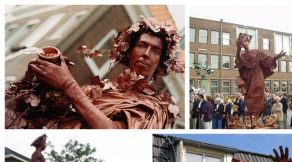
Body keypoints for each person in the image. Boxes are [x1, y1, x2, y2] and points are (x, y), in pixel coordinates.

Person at [19, 16, 183, 129]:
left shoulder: (152, 107)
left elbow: (116, 133)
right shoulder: (99, 88)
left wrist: (68, 85)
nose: (146, 53)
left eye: (155, 50)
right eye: (141, 45)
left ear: (160, 62)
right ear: (129, 51)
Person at [235, 33, 285, 119]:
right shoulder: (242, 56)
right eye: (243, 42)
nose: (245, 43)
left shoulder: (257, 52)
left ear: (249, 42)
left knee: (259, 101)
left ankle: (255, 119)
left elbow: (267, 59)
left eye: (247, 41)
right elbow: (238, 62)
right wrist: (238, 49)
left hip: (258, 80)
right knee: (249, 101)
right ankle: (251, 119)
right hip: (249, 82)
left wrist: (276, 57)